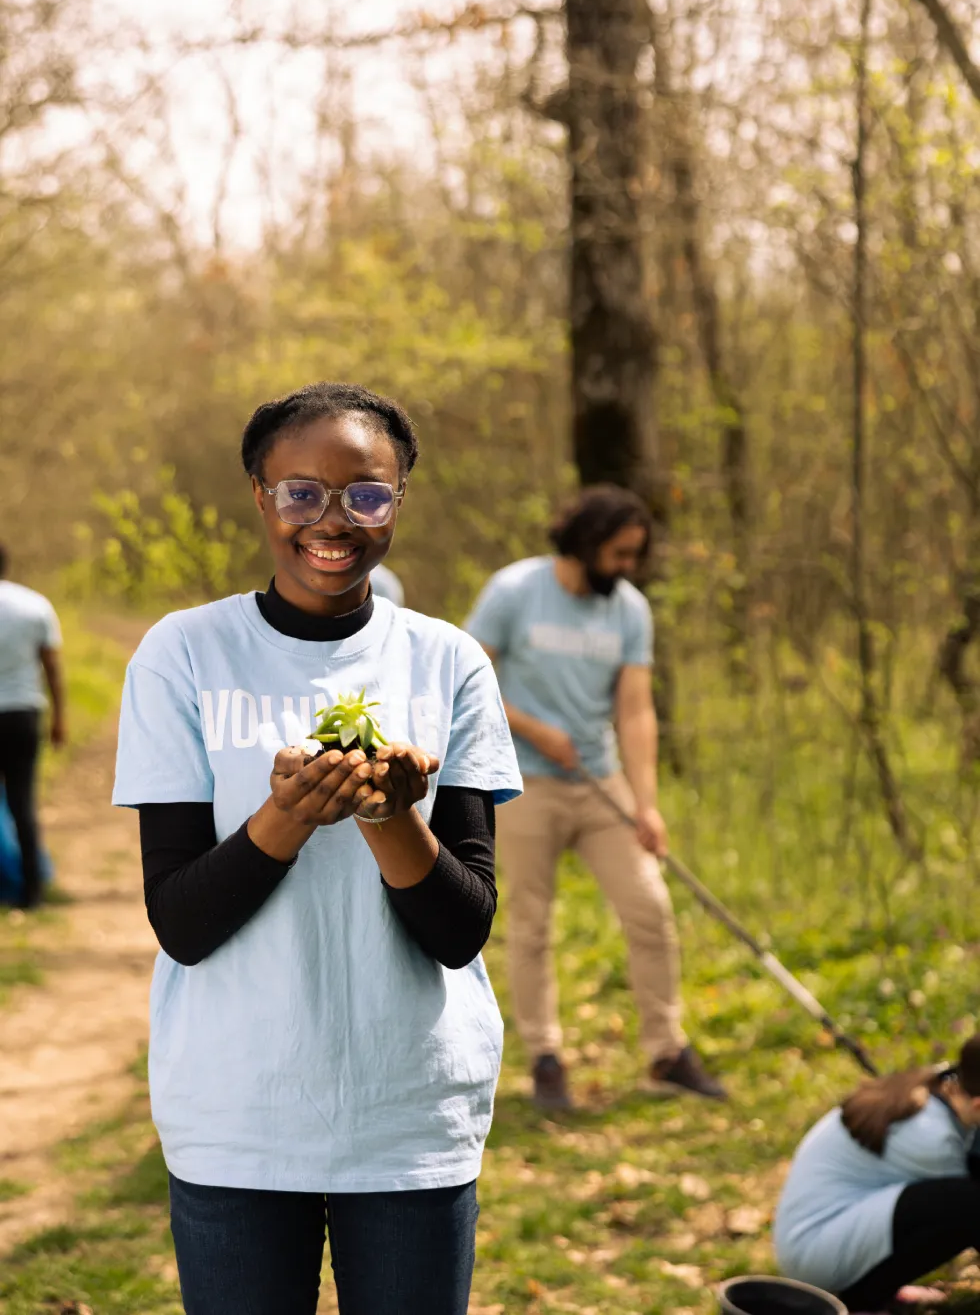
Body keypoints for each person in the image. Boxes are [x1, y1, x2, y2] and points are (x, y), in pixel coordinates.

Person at [112, 382, 522, 1315]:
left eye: (366, 494)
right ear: (261, 496)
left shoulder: (448, 661)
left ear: (399, 499)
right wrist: (286, 818)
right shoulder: (183, 654)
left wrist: (387, 814)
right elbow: (181, 920)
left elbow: (461, 931)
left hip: (411, 1108)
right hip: (236, 1110)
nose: (333, 521)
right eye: (302, 493)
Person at [465, 485, 724, 1108]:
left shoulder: (629, 610)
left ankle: (666, 1050)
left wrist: (646, 803)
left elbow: (635, 711)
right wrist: (533, 728)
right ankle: (546, 1057)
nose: (628, 567)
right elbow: (467, 679)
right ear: (584, 544)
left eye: (635, 555)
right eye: (620, 553)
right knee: (532, 923)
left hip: (600, 782)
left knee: (649, 909)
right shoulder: (514, 591)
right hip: (522, 782)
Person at [775, 1035, 980, 1312]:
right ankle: (860, 1301)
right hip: (815, 1251)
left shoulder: (944, 1083)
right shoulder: (934, 1140)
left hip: (828, 1228)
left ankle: (876, 1289)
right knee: (968, 1204)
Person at [0, 544, 66, 908]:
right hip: (23, 714)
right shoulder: (34, 605)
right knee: (22, 803)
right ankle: (32, 892)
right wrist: (59, 718)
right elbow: (52, 668)